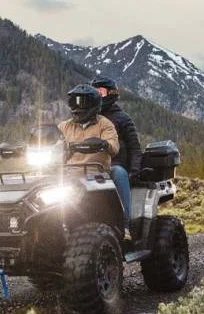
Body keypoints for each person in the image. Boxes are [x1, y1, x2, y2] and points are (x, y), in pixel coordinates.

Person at [90, 76, 142, 234]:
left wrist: (134, 170)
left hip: (115, 164)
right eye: (94, 92)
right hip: (89, 165)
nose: (97, 96)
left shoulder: (122, 118)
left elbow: (135, 148)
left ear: (111, 93)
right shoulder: (86, 118)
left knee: (118, 173)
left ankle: (125, 224)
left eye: (100, 92)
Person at [58, 84, 120, 173]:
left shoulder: (105, 124)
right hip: (68, 172)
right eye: (73, 102)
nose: (77, 106)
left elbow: (114, 147)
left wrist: (104, 144)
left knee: (118, 173)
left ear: (93, 105)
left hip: (97, 172)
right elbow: (54, 145)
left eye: (82, 102)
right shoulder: (64, 126)